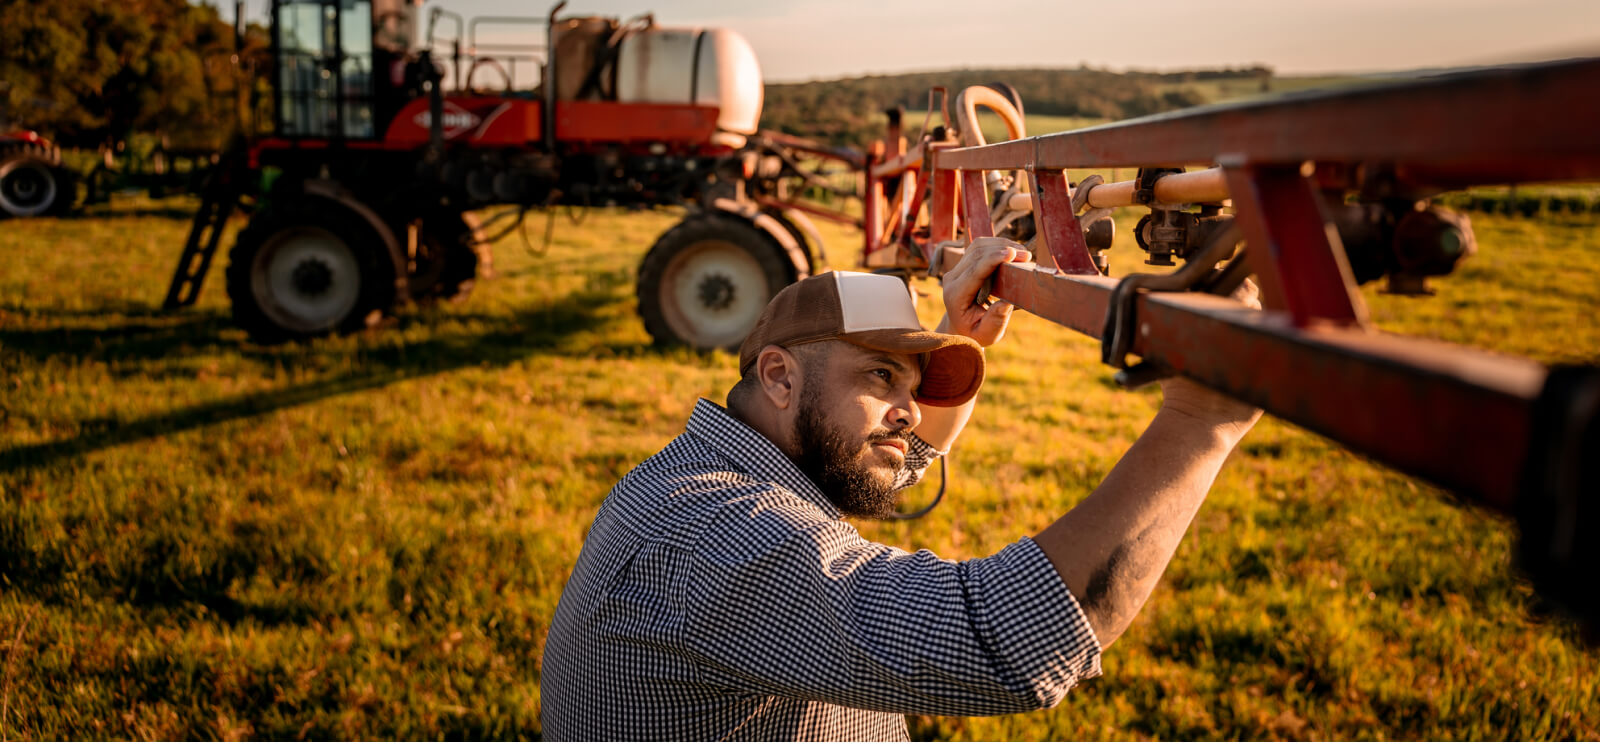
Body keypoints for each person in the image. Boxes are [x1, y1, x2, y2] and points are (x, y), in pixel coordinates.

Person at [540, 238, 1262, 740]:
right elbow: (1003, 640)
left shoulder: (707, 471)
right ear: (779, 376)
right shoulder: (724, 539)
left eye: (912, 387)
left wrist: (961, 334)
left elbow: (886, 456)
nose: (911, 412)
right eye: (880, 376)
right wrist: (1201, 421)